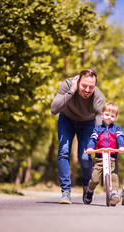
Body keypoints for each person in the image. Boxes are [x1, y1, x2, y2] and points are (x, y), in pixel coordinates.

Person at [50, 69, 106, 204]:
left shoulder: (98, 97)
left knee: (85, 156)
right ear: (78, 81)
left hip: (87, 124)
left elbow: (99, 124)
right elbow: (53, 110)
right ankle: (65, 191)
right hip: (66, 119)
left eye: (91, 87)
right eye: (84, 86)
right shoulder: (67, 85)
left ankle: (87, 186)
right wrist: (71, 91)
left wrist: (100, 144)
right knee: (64, 152)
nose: (87, 90)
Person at [84, 102, 124, 206]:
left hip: (112, 157)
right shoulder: (97, 129)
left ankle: (114, 194)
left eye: (112, 116)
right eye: (107, 115)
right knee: (94, 179)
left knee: (114, 176)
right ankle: (89, 191)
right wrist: (90, 147)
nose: (109, 117)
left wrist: (121, 146)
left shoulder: (117, 129)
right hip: (99, 158)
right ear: (102, 114)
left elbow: (120, 138)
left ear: (115, 117)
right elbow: (92, 139)